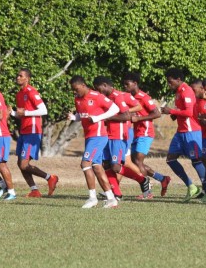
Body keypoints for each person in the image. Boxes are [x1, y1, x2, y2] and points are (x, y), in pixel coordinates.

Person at [93, 76, 151, 199]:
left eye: (98, 89)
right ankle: (117, 194)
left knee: (116, 166)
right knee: (106, 164)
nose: (98, 92)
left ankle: (142, 180)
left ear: (104, 85)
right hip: (105, 135)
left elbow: (126, 116)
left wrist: (107, 117)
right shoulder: (104, 98)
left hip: (118, 135)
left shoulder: (118, 97)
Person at [68, 75, 120, 209]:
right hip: (89, 136)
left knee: (85, 163)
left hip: (98, 135)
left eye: (76, 89)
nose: (75, 92)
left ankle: (92, 198)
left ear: (84, 85)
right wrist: (74, 117)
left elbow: (115, 109)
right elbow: (82, 115)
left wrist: (98, 118)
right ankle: (111, 198)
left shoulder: (96, 96)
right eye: (73, 90)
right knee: (97, 166)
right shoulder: (78, 99)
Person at [161, 68, 206, 203]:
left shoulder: (186, 91)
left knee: (196, 161)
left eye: (170, 81)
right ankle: (191, 186)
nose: (169, 84)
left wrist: (171, 110)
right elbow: (184, 110)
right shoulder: (178, 92)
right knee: (170, 159)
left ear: (178, 80)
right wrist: (175, 113)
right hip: (181, 131)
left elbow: (189, 112)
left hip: (191, 132)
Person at [11, 68, 59, 198]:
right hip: (24, 131)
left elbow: (43, 110)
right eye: (17, 75)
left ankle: (50, 178)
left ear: (27, 78)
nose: (18, 77)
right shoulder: (19, 94)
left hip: (32, 132)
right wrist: (11, 112)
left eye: (20, 76)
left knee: (23, 164)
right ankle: (34, 190)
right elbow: (22, 115)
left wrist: (25, 113)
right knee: (20, 164)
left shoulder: (31, 91)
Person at [122, 72, 171, 196]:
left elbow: (157, 113)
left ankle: (147, 192)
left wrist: (138, 119)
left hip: (145, 132)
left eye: (127, 84)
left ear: (135, 83)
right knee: (135, 162)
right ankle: (162, 178)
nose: (125, 87)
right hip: (136, 132)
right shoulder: (129, 97)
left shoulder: (144, 97)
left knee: (137, 162)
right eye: (123, 85)